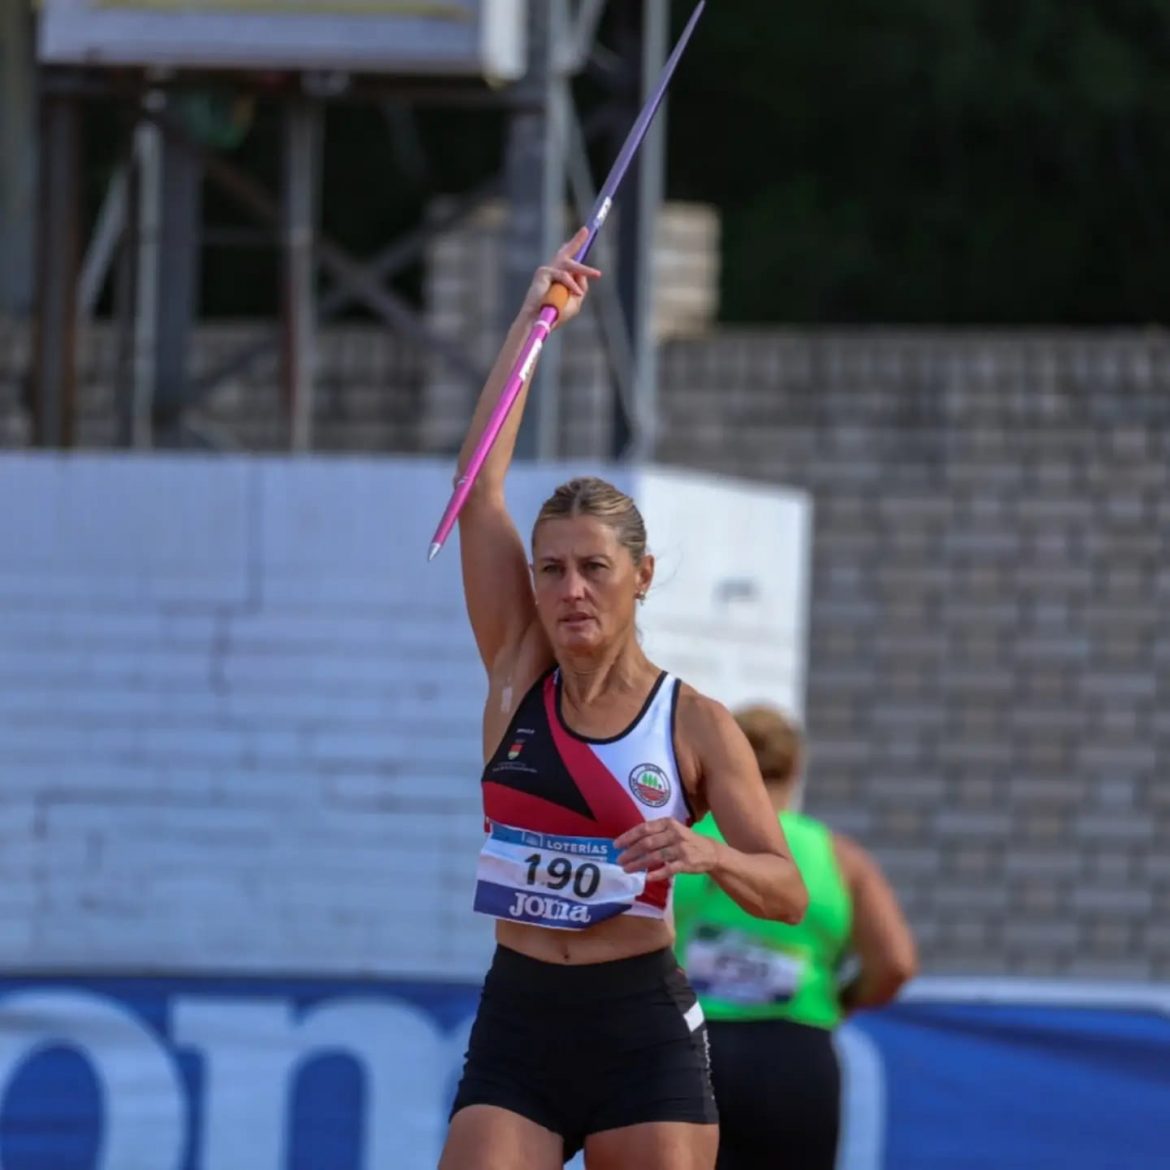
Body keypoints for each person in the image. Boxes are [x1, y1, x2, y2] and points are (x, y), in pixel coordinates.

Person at [439, 228, 810, 1170]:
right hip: (520, 1019)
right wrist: (533, 323)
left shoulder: (695, 724)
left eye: (593, 569)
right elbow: (477, 490)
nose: (570, 590)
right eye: (550, 569)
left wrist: (706, 851)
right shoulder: (517, 671)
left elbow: (788, 893)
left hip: (639, 1029)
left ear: (640, 577)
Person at [672, 704, 918, 1170]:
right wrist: (839, 1001)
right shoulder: (839, 856)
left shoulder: (680, 842)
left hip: (685, 1048)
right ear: (796, 770)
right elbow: (896, 963)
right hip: (794, 1053)